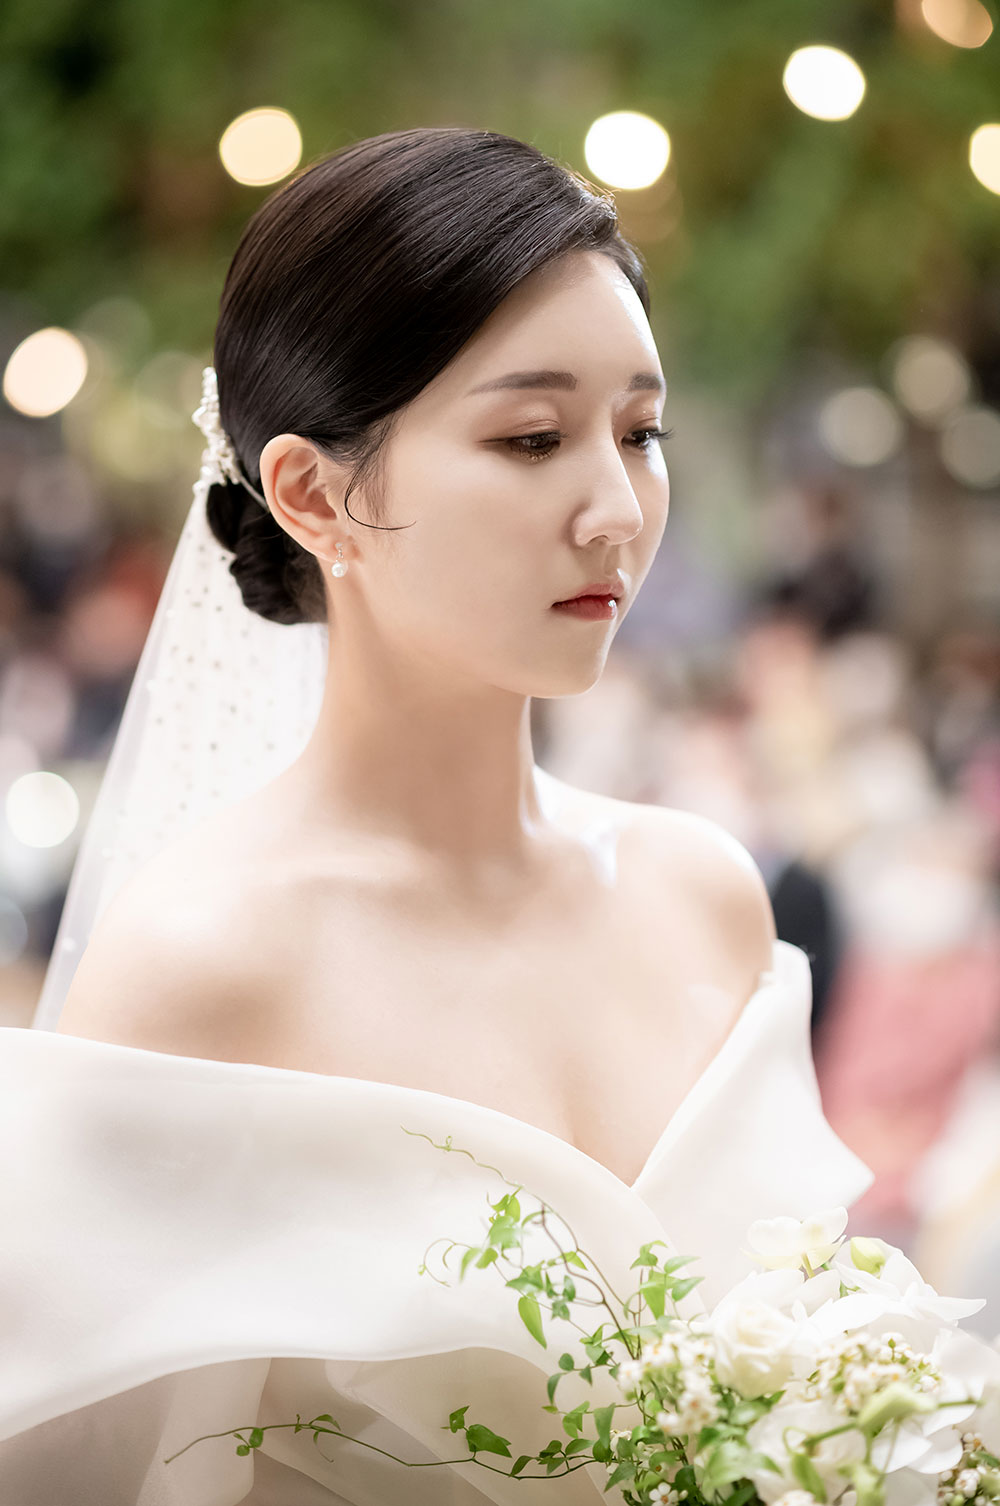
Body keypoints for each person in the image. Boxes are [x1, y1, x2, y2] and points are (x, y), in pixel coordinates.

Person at [0, 126, 874, 1504]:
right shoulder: (200, 968)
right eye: (532, 438)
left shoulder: (706, 894)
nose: (616, 510)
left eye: (640, 433)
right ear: (314, 494)